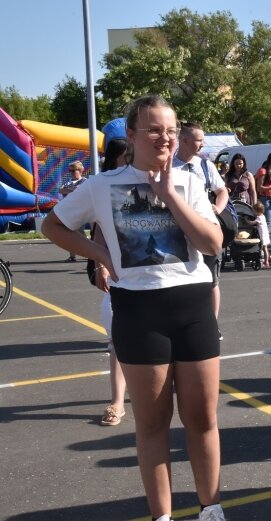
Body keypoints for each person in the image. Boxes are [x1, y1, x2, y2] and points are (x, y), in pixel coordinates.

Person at [41, 95, 225, 521]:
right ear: (133, 134)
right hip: (140, 311)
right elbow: (52, 224)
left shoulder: (190, 180)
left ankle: (210, 509)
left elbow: (213, 244)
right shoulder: (101, 185)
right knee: (153, 422)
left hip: (193, 304)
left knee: (201, 418)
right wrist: (100, 255)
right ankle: (161, 515)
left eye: (172, 129)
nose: (165, 137)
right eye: (155, 129)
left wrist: (168, 195)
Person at [174, 122, 229, 340]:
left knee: (212, 280)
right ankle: (181, 324)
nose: (202, 143)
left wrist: (218, 207)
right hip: (178, 231)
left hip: (205, 229)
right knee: (182, 279)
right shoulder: (169, 165)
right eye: (199, 139)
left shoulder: (205, 165)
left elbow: (222, 190)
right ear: (184, 140)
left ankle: (211, 325)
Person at [95, 139, 128, 427]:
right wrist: (101, 264)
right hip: (121, 279)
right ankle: (117, 402)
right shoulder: (103, 185)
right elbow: (98, 232)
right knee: (118, 340)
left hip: (163, 280)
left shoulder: (169, 180)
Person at [59, 160, 88, 261]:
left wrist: (69, 190)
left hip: (80, 211)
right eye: (70, 170)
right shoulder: (69, 181)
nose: (71, 172)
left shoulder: (84, 181)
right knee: (70, 233)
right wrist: (71, 189)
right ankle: (72, 256)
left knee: (79, 234)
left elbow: (78, 191)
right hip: (69, 210)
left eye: (73, 170)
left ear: (80, 170)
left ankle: (91, 253)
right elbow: (61, 189)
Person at [248, 202, 271, 267]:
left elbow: (252, 223)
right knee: (265, 248)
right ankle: (269, 258)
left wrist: (246, 220)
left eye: (254, 211)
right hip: (265, 235)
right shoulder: (263, 216)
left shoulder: (259, 218)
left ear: (257, 211)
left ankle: (266, 261)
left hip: (263, 236)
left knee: (264, 248)